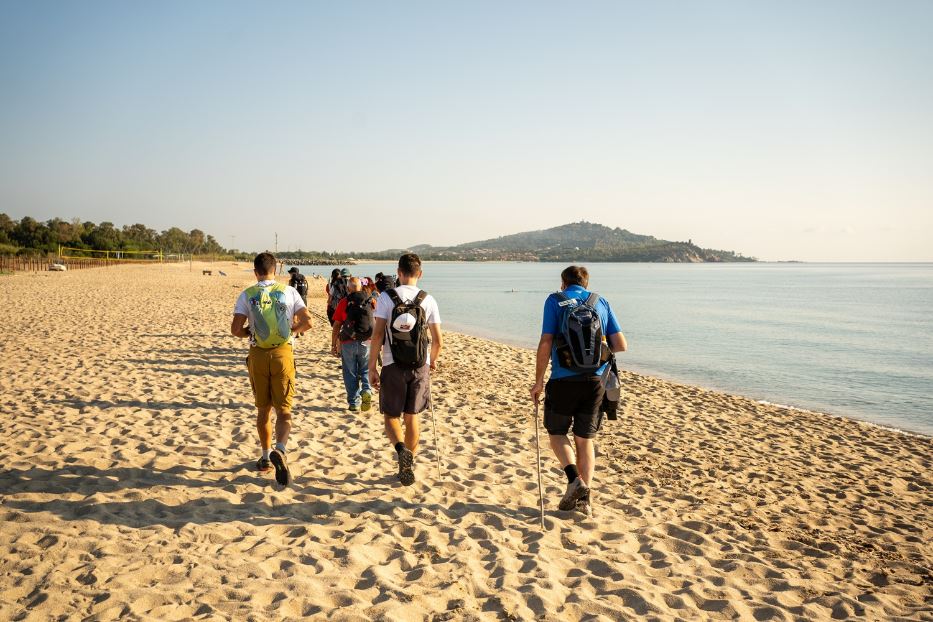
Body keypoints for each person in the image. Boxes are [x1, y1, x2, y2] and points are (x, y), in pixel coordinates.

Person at [529, 265, 627, 516]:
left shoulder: (555, 300)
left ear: (563, 283)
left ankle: (574, 480)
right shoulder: (600, 301)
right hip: (595, 382)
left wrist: (539, 381)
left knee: (557, 432)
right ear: (586, 283)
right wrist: (594, 356)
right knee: (585, 440)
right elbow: (620, 345)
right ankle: (585, 502)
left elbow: (546, 341)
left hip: (563, 379)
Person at [231, 252, 313, 486]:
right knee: (284, 410)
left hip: (257, 355)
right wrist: (292, 329)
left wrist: (249, 332)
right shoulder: (289, 291)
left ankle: (266, 457)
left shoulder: (247, 294)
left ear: (255, 271)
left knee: (263, 410)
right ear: (275, 270)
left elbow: (235, 329)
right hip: (283, 353)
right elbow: (309, 321)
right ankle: (281, 448)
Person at [369, 253, 442, 486]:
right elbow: (438, 340)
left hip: (392, 364)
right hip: (419, 366)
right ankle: (408, 463)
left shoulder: (386, 298)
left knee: (391, 415)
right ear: (419, 274)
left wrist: (372, 367)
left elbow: (378, 334)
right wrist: (431, 362)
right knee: (412, 417)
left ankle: (401, 450)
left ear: (398, 273)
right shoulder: (428, 300)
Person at [331, 277, 374, 412]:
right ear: (360, 287)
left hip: (348, 341)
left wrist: (333, 344)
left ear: (348, 288)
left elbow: (337, 325)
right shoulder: (371, 301)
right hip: (366, 341)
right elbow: (377, 321)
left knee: (350, 372)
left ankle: (354, 402)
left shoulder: (344, 302)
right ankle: (366, 389)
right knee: (365, 369)